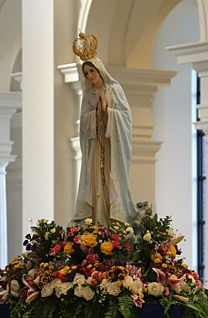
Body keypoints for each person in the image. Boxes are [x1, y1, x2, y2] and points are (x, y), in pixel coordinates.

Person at [71, 32, 138, 226]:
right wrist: (95, 113)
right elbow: (84, 122)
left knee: (110, 180)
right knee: (95, 182)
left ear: (100, 70)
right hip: (95, 146)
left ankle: (112, 220)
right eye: (86, 73)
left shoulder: (115, 89)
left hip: (111, 146)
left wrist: (108, 111)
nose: (90, 76)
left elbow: (125, 116)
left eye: (92, 71)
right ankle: (97, 221)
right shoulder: (87, 96)